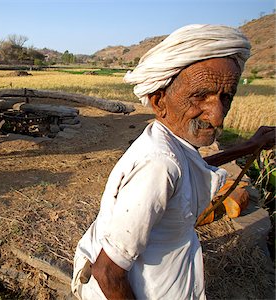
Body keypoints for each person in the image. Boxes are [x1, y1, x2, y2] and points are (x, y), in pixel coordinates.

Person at [71, 24, 275, 300]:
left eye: (225, 97)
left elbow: (188, 169)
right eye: (200, 96)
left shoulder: (170, 142)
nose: (217, 116)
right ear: (159, 102)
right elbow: (107, 272)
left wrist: (249, 146)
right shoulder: (159, 165)